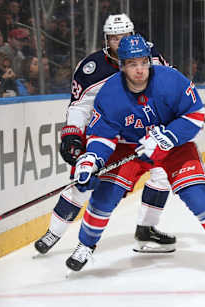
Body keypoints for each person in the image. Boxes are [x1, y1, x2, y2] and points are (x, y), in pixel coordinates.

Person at [65, 34, 205, 277]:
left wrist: (168, 136)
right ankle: (85, 246)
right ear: (122, 66)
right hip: (129, 146)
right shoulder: (109, 94)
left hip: (173, 145)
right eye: (132, 64)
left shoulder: (171, 80)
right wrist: (91, 159)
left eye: (143, 62)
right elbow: (101, 136)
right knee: (104, 197)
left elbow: (195, 115)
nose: (139, 70)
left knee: (197, 195)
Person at [34, 14, 176, 256]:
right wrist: (72, 136)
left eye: (125, 38)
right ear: (106, 40)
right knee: (82, 183)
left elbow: (170, 82)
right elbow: (79, 106)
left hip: (143, 134)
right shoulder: (91, 68)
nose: (120, 44)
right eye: (114, 39)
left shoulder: (150, 56)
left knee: (162, 174)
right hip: (107, 137)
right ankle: (54, 232)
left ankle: (146, 230)